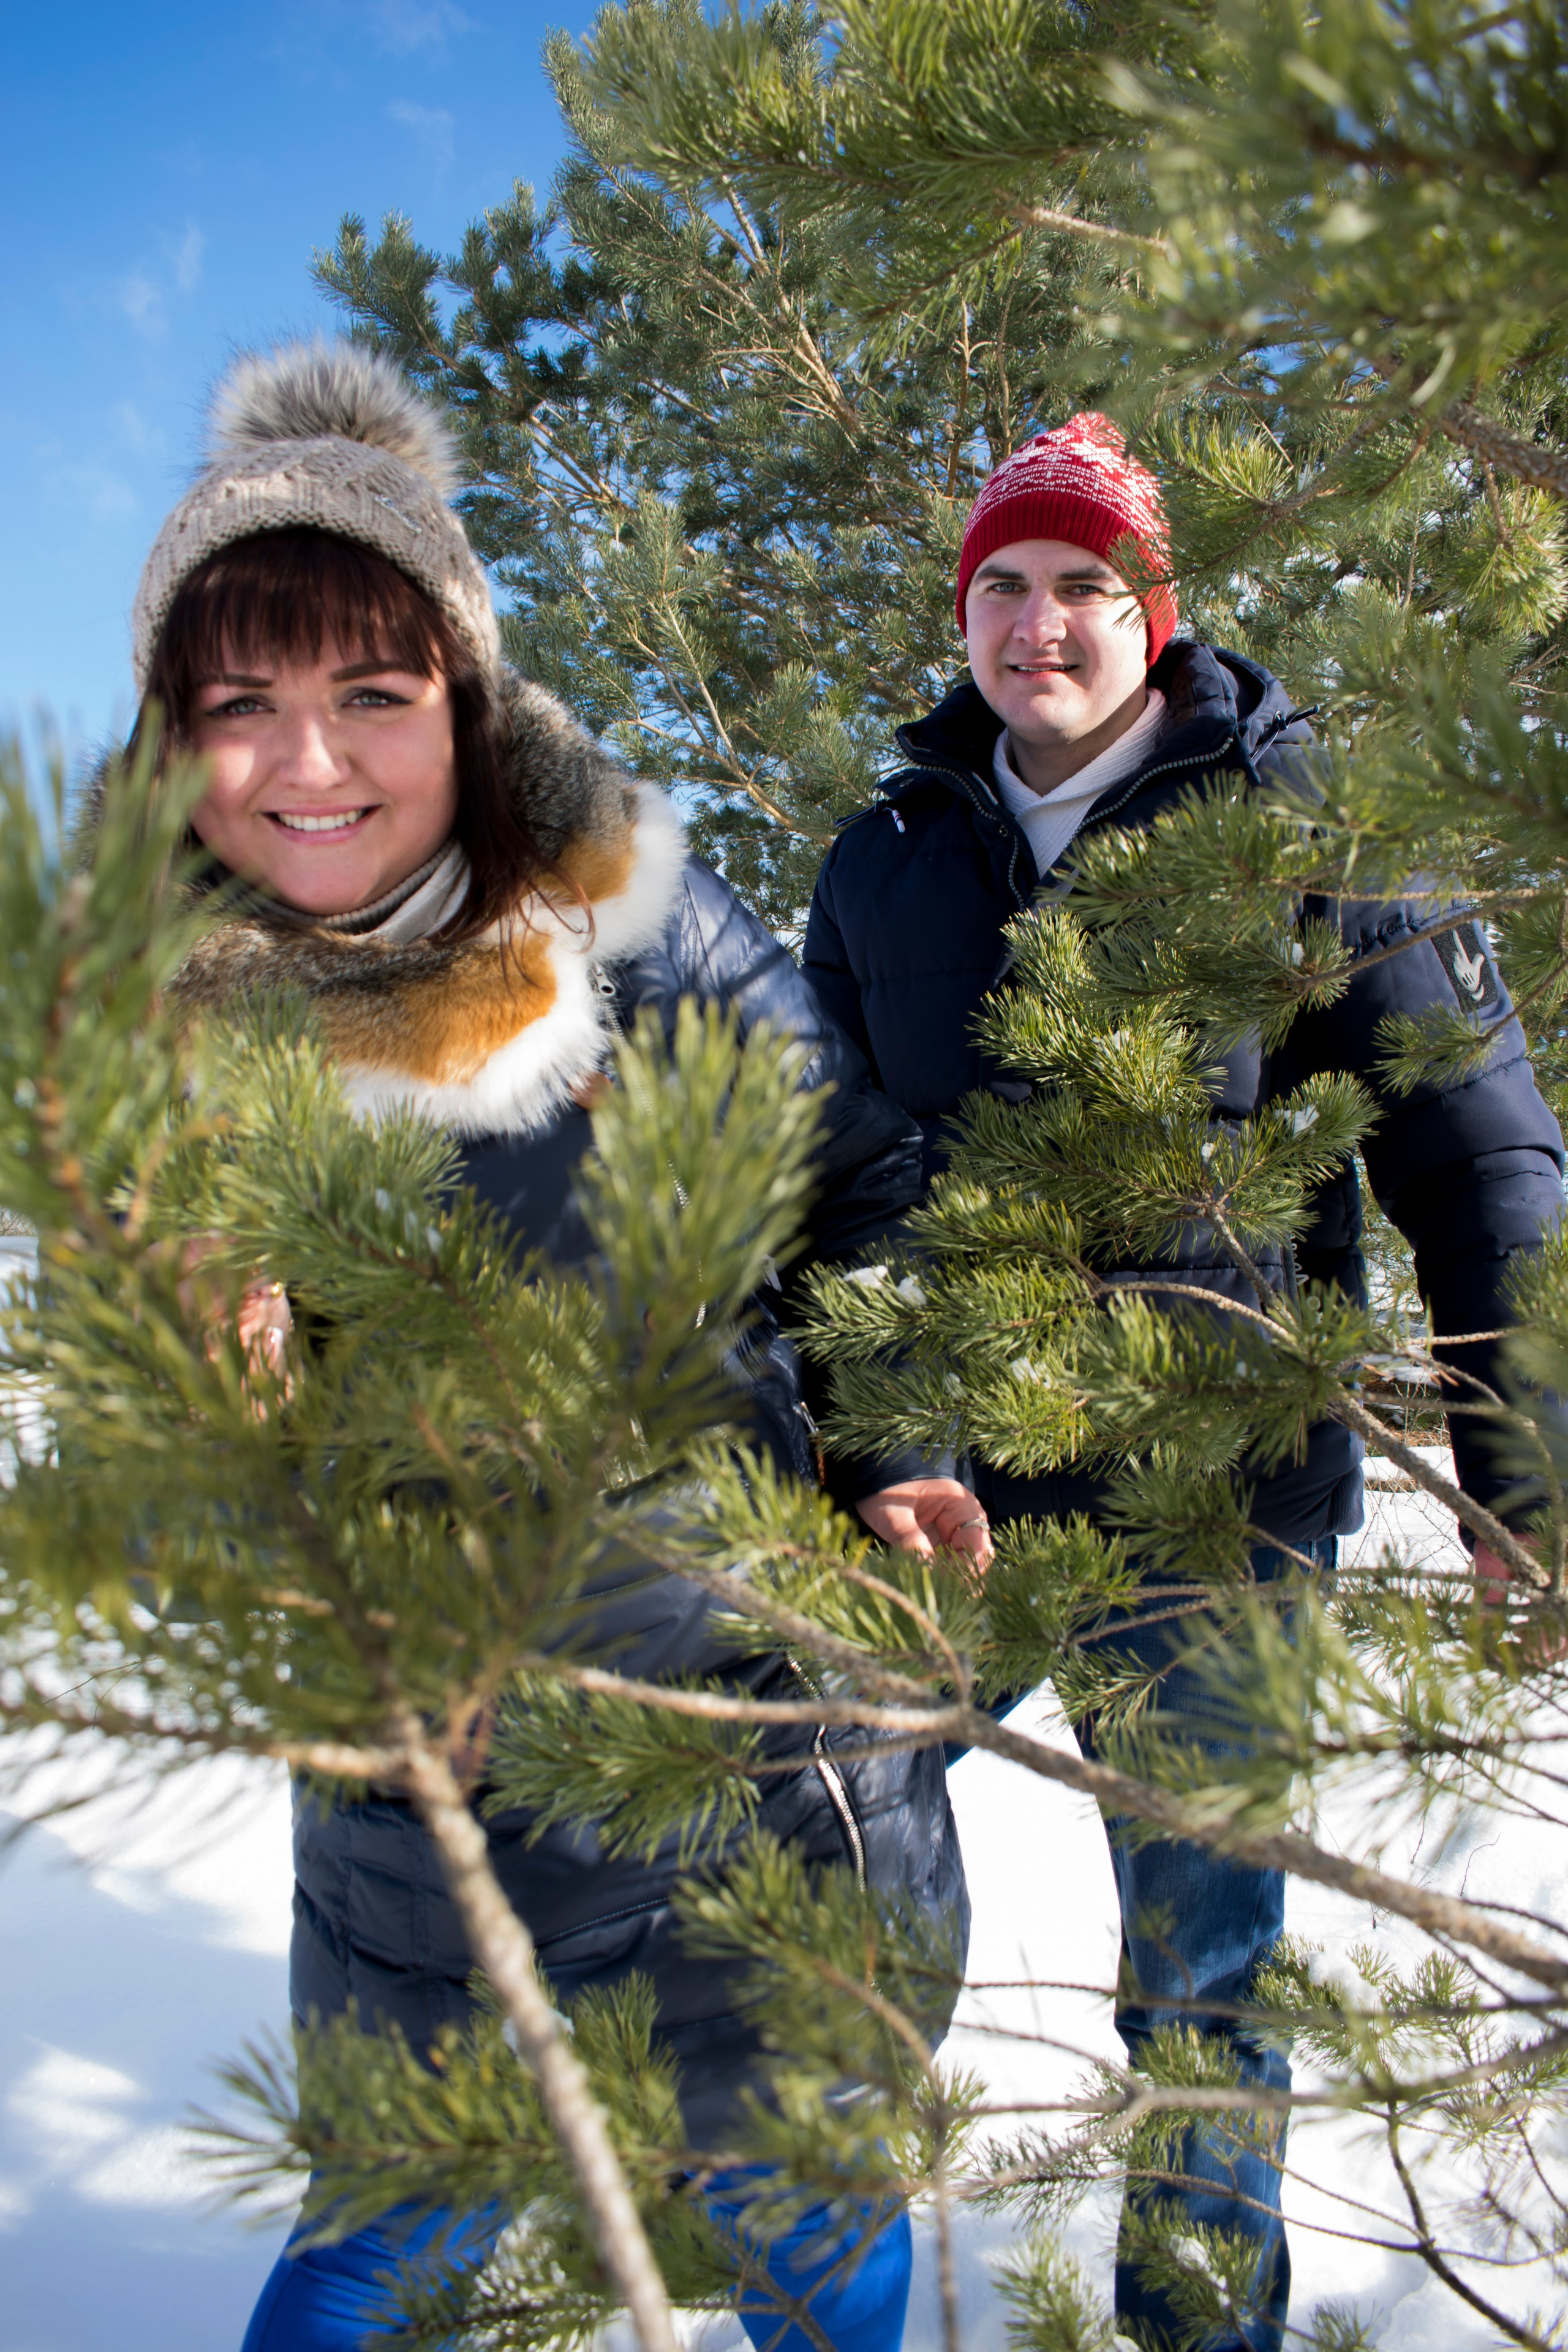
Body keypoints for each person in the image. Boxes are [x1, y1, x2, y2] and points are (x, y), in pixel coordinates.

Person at [116, 341, 979, 2351]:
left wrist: (902, 1450)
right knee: (383, 2249)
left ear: (467, 699)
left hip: (746, 1732)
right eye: (242, 705)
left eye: (373, 693)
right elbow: (144, 1506)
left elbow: (858, 1184)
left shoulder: (631, 921)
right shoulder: (149, 1037)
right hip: (437, 1808)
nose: (310, 761)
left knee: (803, 2220)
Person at [802, 414, 1566, 2350]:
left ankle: (1199, 2328)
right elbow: (823, 1186)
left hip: (1217, 1507)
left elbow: (1479, 1159)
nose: (1037, 625)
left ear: (1157, 608)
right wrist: (883, 1442)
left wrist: (1524, 1468)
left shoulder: (1312, 830)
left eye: (1084, 585)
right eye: (1001, 585)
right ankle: (818, 2296)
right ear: (960, 612)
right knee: (805, 1894)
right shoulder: (885, 860)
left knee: (1206, 1986)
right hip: (947, 1508)